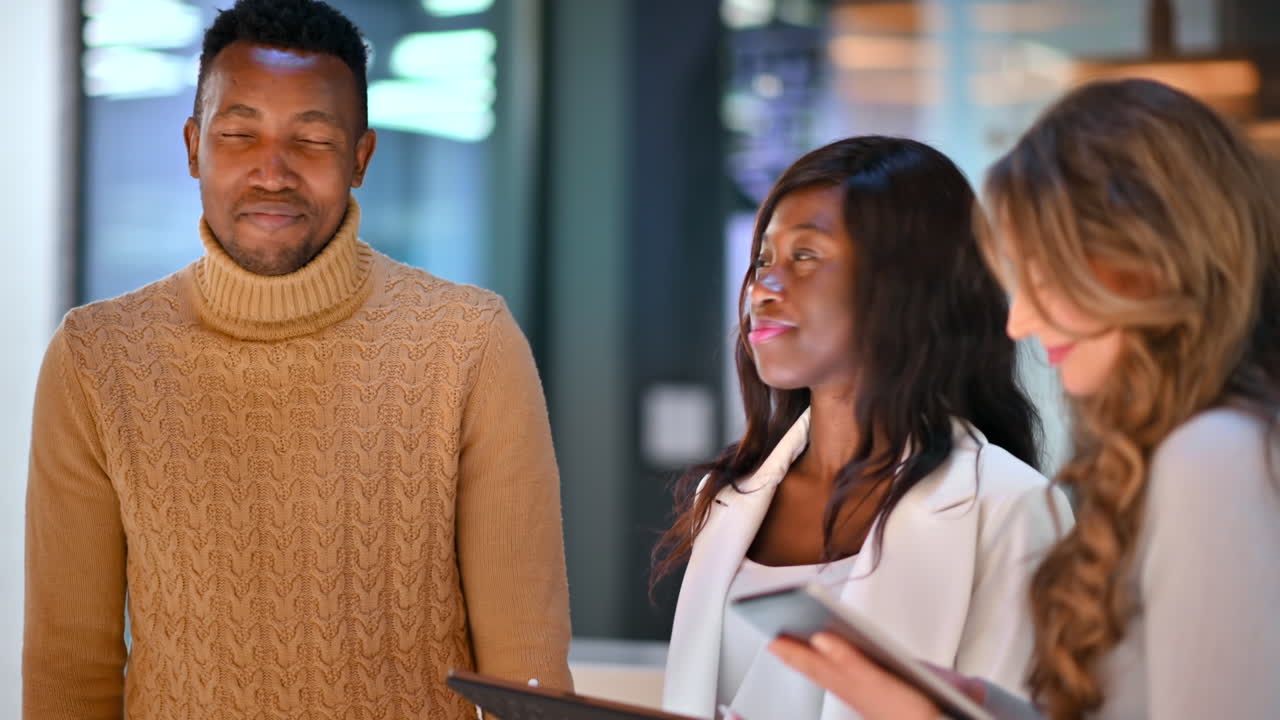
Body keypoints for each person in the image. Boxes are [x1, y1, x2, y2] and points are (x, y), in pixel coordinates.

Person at [22, 1, 572, 717]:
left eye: (311, 139)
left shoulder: (468, 344)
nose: (272, 171)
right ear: (194, 148)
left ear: (361, 157)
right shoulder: (98, 361)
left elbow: (525, 673)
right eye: (239, 134)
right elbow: (70, 667)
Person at [771, 78, 1280, 720]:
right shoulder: (1206, 452)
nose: (1022, 322)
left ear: (1143, 260)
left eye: (1045, 275)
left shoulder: (1213, 458)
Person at [652, 136, 1072, 720]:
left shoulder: (1011, 510)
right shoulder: (725, 496)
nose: (762, 291)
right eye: (764, 260)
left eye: (806, 257)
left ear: (906, 285)